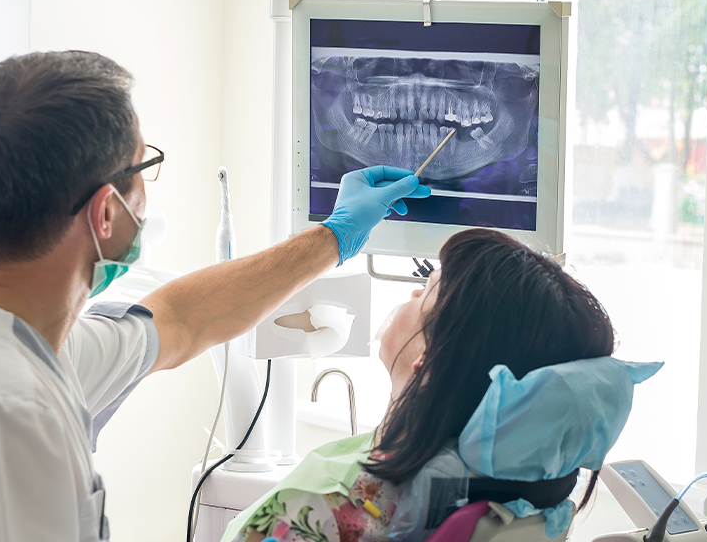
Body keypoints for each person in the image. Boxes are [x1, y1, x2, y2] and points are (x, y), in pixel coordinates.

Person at [0, 51, 429, 542]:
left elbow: (182, 318)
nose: (148, 189)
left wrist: (335, 237)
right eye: (145, 166)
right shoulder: (1, 411)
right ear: (107, 213)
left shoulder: (4, 337)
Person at [224, 229, 661, 542]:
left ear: (426, 361)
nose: (413, 295)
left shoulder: (323, 507)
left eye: (428, 289)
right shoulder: (524, 501)